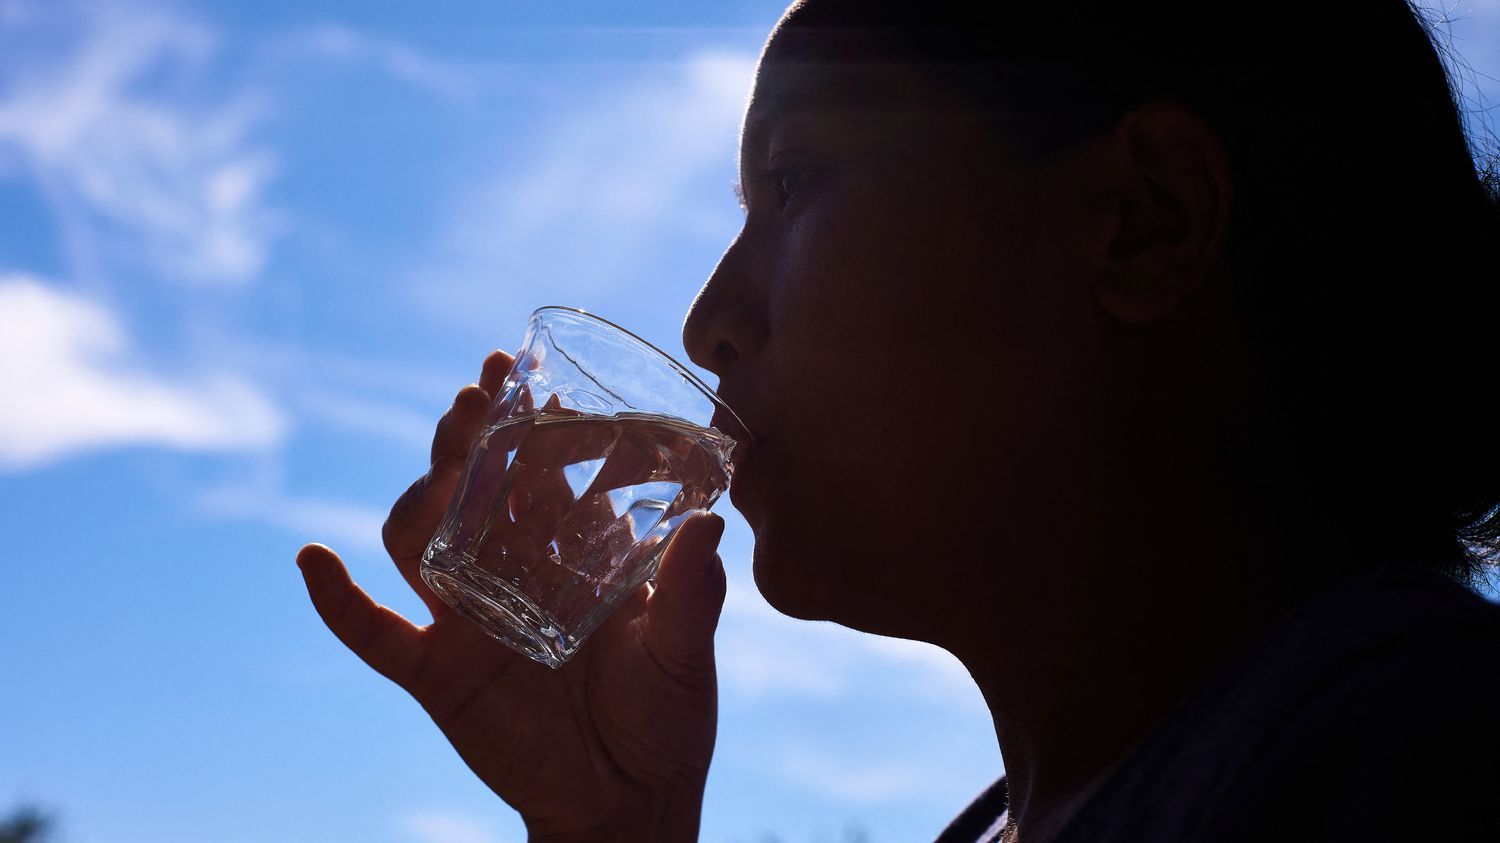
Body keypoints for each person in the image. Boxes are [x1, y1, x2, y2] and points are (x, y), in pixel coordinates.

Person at [295, 1, 1500, 840]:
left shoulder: (1422, 755)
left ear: (1146, 221)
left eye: (794, 183)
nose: (710, 315)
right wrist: (616, 828)